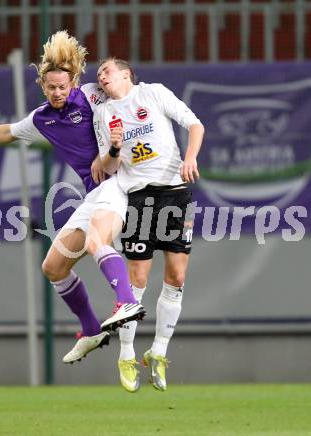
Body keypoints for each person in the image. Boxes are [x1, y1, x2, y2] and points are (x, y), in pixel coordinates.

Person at [0, 31, 145, 365]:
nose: (57, 92)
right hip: (94, 193)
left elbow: (129, 97)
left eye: (63, 86)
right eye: (51, 87)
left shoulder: (94, 96)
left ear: (74, 82)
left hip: (118, 184)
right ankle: (91, 329)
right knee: (53, 267)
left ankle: (125, 300)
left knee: (97, 238)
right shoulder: (42, 118)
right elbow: (8, 131)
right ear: (42, 85)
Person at [93, 58, 204, 392]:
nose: (101, 76)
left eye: (107, 70)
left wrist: (190, 157)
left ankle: (158, 352)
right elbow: (108, 168)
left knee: (177, 277)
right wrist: (113, 146)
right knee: (137, 280)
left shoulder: (153, 94)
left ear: (126, 74)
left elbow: (195, 124)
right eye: (98, 74)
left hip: (176, 193)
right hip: (140, 198)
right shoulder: (104, 114)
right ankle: (126, 355)